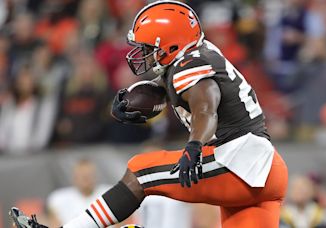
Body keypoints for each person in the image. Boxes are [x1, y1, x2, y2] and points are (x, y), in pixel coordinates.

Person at [10, 1, 288, 227]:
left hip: (241, 163)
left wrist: (194, 146)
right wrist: (138, 99)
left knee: (141, 171)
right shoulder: (193, 56)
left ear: (171, 44)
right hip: (263, 169)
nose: (145, 54)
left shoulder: (192, 66)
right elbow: (176, 88)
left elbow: (206, 106)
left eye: (149, 48)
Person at [46, 159, 110, 227]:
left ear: (95, 176)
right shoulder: (58, 198)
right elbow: (54, 224)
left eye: (89, 175)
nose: (86, 179)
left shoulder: (109, 194)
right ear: (74, 177)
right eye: (82, 176)